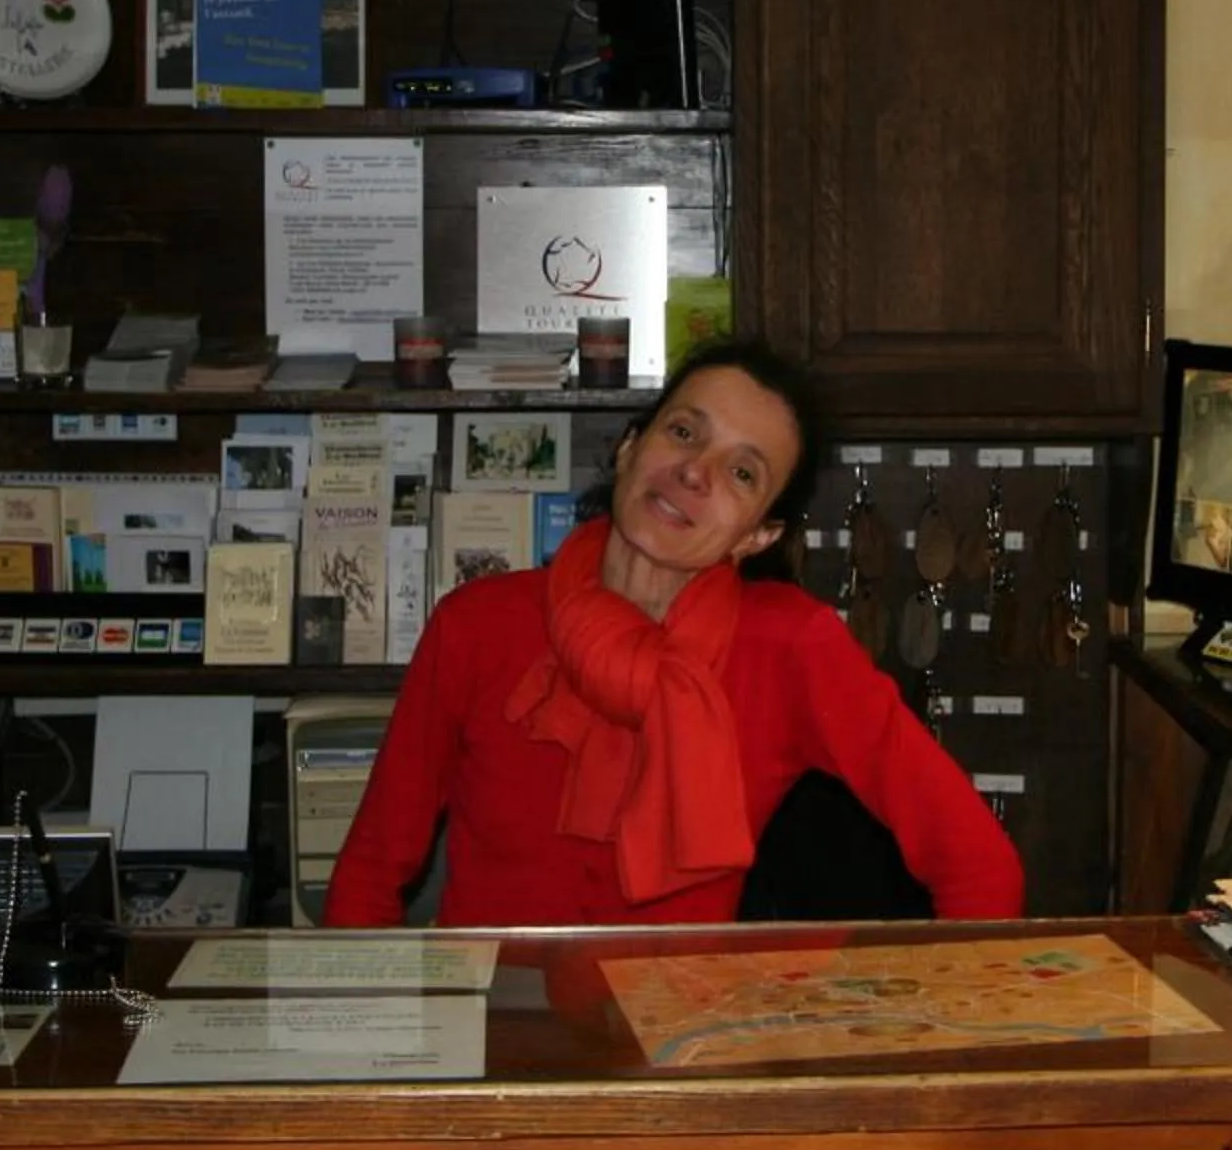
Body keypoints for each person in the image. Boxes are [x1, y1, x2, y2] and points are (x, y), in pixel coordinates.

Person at [324, 339, 1024, 928]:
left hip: (681, 1053)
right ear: (630, 448)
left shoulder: (792, 647)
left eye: (742, 472)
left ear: (759, 534)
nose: (695, 471)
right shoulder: (476, 624)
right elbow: (369, 873)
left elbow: (979, 866)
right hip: (492, 1042)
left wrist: (924, 1044)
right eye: (684, 432)